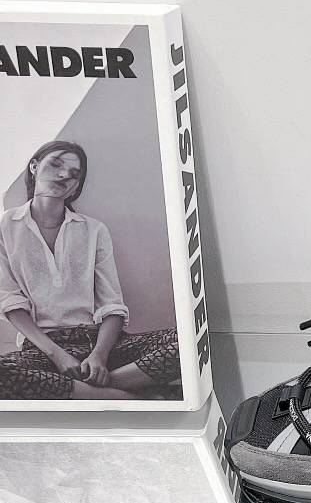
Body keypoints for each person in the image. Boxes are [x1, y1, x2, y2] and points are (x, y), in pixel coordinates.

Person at [0, 140, 181, 401]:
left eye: (74, 174)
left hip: (102, 344)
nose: (64, 175)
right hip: (42, 350)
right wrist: (57, 355)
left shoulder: (93, 230)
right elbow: (9, 301)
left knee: (189, 341)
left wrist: (99, 356)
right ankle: (128, 397)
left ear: (76, 187)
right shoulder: (6, 226)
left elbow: (112, 305)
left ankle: (99, 390)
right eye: (56, 164)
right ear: (34, 167)